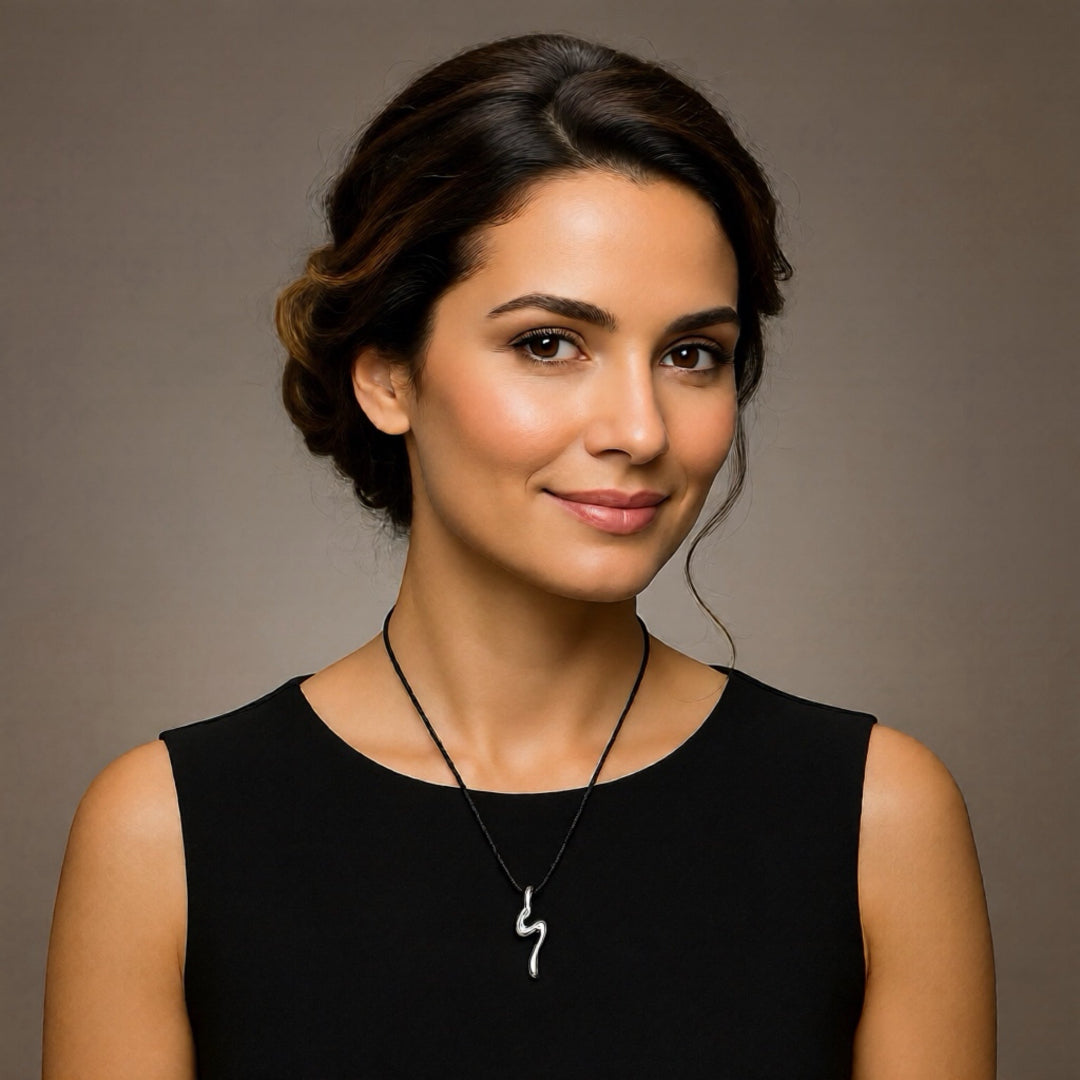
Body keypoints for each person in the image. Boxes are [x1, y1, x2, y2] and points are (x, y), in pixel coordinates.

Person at [42, 31, 995, 1079]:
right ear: (388, 376)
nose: (638, 428)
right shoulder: (162, 834)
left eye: (692, 355)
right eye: (549, 343)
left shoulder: (879, 818)